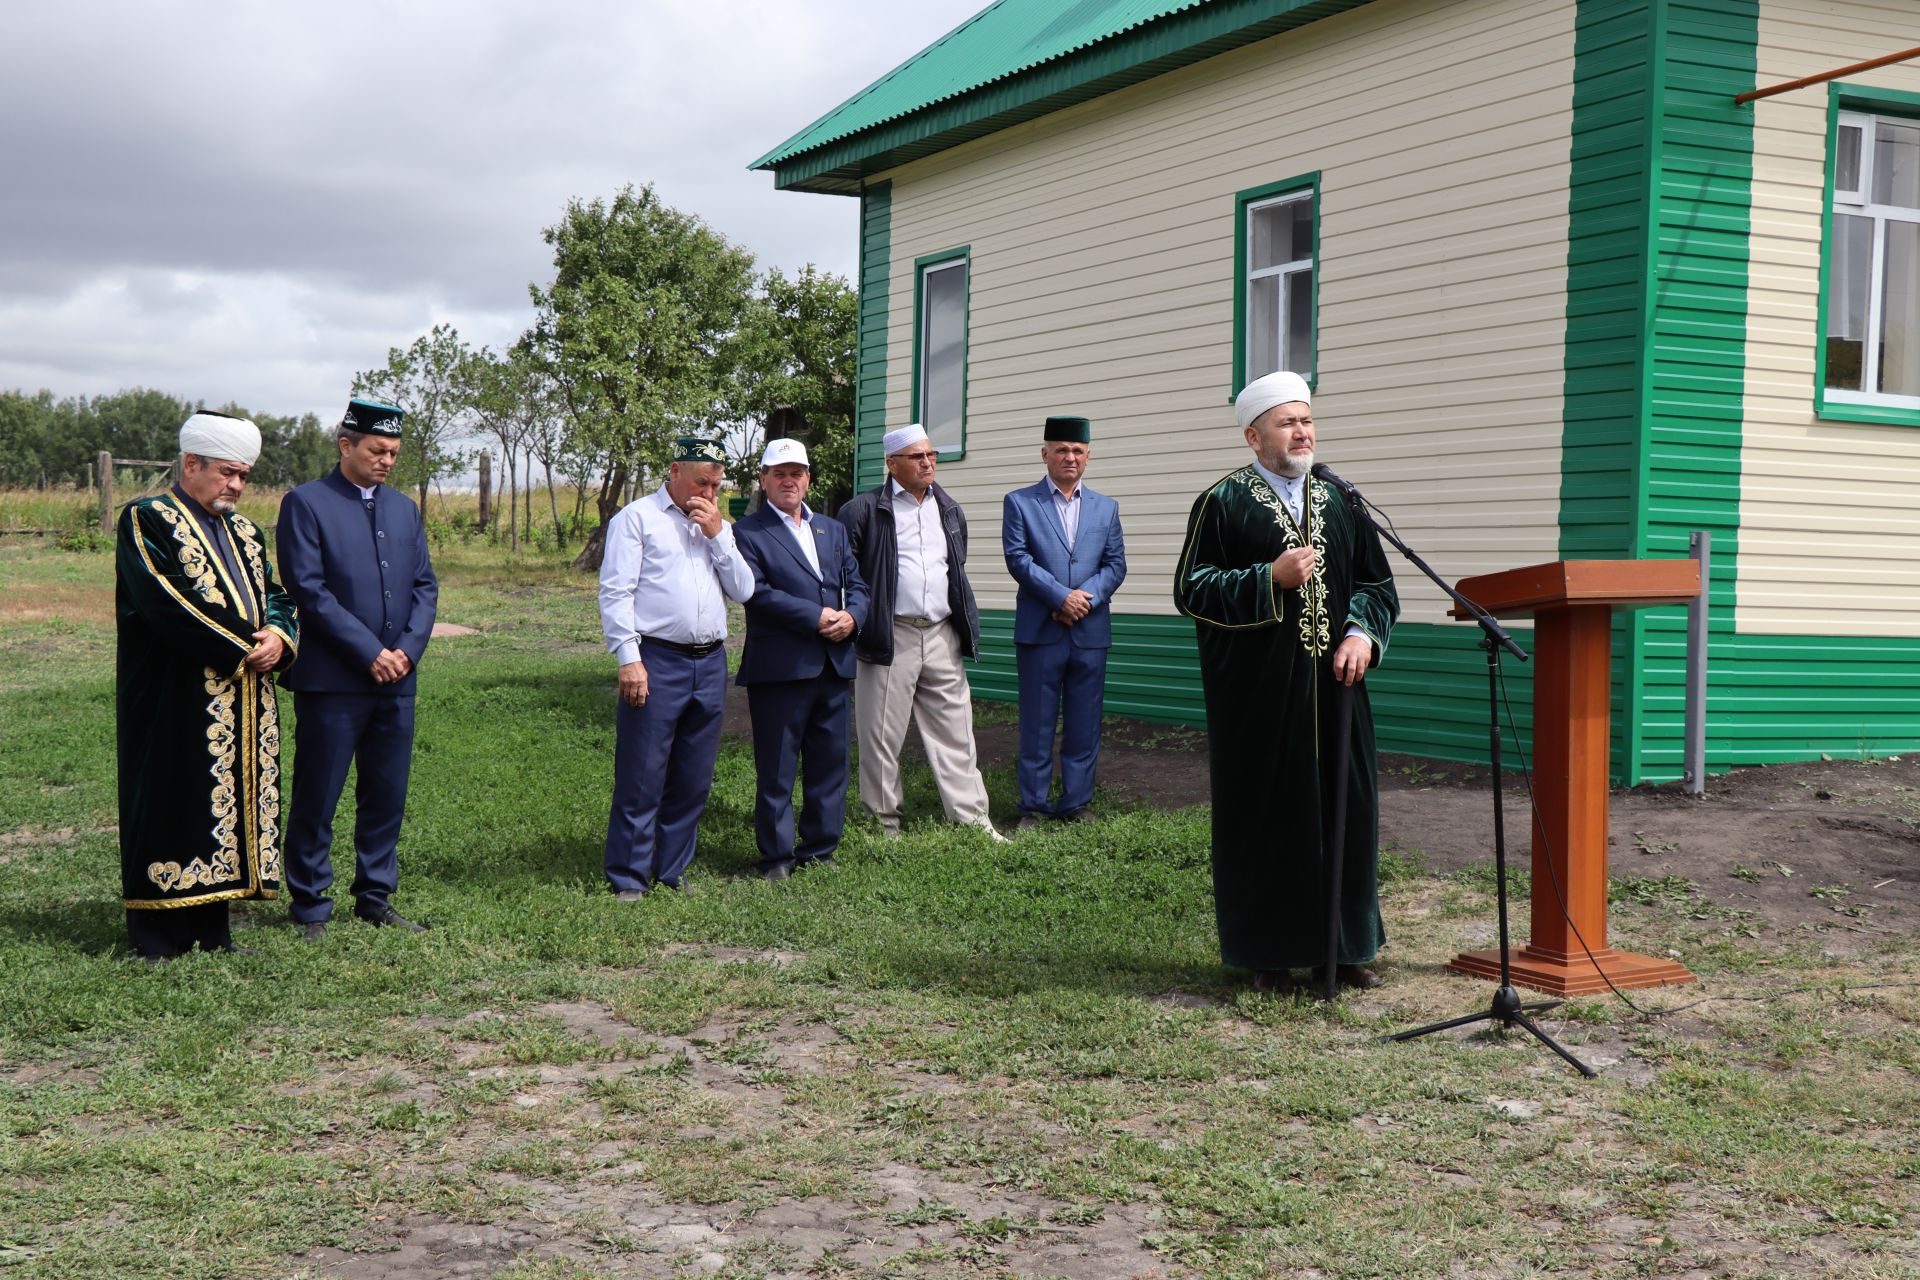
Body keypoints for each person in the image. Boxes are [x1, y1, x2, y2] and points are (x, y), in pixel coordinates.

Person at [1173, 372, 1399, 993]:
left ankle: (1346, 949)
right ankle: (1268, 955)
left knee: (1345, 812)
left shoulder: (1340, 498)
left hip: (1338, 693)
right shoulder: (1222, 502)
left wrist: (1362, 634)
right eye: (1286, 422)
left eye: (1306, 420)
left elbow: (1378, 586)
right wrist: (1268, 577)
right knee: (1269, 817)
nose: (1301, 432)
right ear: (1254, 436)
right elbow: (1190, 589)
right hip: (1260, 698)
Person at [115, 410, 299, 961]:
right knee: (175, 795)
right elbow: (165, 602)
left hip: (243, 695)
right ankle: (156, 934)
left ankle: (213, 930)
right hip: (173, 693)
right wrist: (247, 646)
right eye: (226, 473)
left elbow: (278, 595)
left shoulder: (245, 531)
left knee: (224, 804)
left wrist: (279, 637)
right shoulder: (148, 519)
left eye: (243, 476)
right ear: (190, 464)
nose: (236, 486)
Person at [276, 398, 438, 940]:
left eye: (393, 452)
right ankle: (310, 903)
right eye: (377, 450)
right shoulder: (306, 504)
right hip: (334, 680)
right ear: (346, 445)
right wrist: (370, 652)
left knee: (386, 792)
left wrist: (407, 652)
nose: (387, 460)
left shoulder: (404, 509)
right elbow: (309, 590)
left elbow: (424, 587)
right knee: (319, 793)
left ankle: (375, 895)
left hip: (398, 680)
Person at [598, 437, 755, 898]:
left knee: (693, 775)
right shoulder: (637, 519)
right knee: (643, 771)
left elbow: (744, 590)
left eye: (716, 484)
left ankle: (670, 869)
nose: (709, 493)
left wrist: (718, 534)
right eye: (702, 483)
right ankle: (628, 876)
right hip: (657, 657)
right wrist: (629, 660)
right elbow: (616, 592)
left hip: (710, 662)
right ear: (674, 472)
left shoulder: (716, 526)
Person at [840, 423, 1006, 842]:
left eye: (931, 455)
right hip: (888, 636)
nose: (929, 462)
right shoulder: (862, 510)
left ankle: (973, 823)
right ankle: (883, 827)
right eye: (917, 457)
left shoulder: (948, 508)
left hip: (941, 634)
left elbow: (956, 567)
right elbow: (845, 575)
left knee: (957, 731)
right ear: (892, 464)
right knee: (880, 737)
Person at [732, 439, 870, 880]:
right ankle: (776, 858)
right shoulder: (747, 532)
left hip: (833, 664)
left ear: (808, 478)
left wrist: (852, 617)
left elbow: (859, 585)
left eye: (796, 472)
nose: (788, 480)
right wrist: (816, 617)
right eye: (778, 473)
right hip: (780, 668)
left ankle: (821, 849)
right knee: (776, 768)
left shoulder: (831, 528)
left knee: (830, 763)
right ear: (763, 480)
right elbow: (756, 592)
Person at [1001, 415, 1128, 830]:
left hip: (1089, 632)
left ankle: (1076, 803)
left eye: (1077, 451)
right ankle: (1033, 808)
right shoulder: (1020, 502)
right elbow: (1018, 559)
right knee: (1037, 723)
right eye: (1061, 450)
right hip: (1041, 631)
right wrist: (1060, 597)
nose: (1069, 457)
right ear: (1045, 454)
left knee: (1084, 723)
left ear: (1088, 457)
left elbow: (1115, 565)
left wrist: (1083, 600)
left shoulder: (1106, 508)